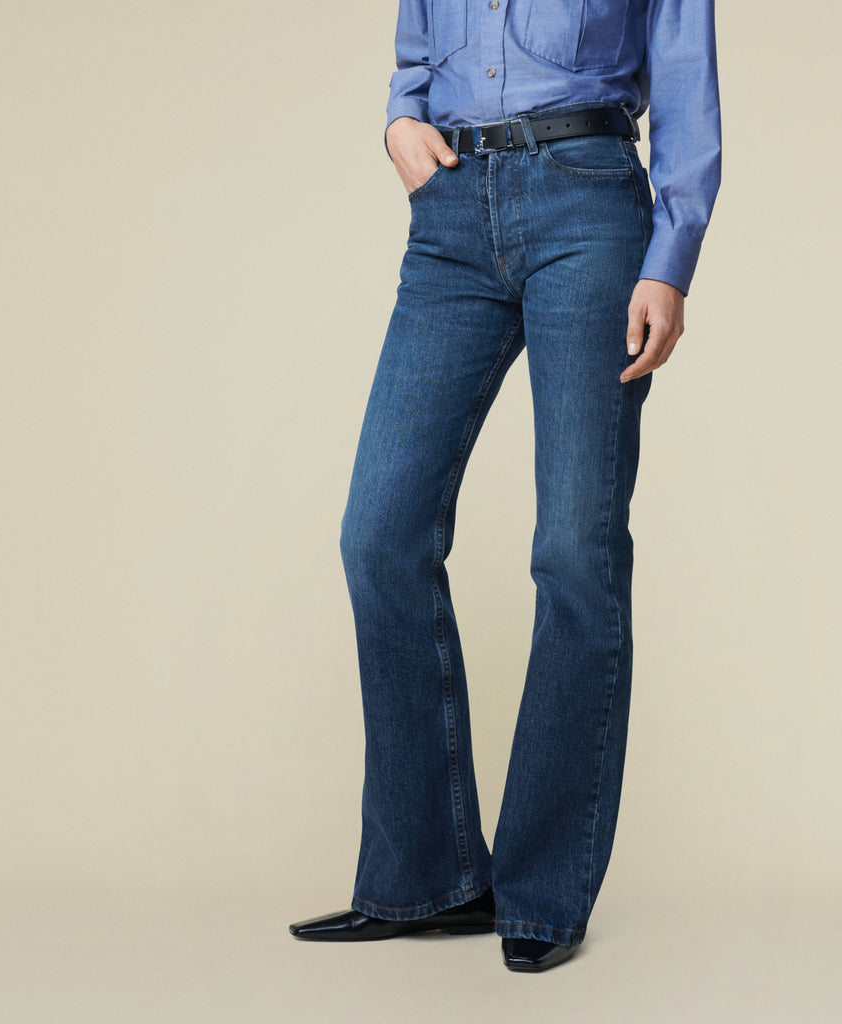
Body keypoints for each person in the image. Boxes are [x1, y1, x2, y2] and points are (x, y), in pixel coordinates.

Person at [290, 0, 721, 972]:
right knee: (380, 535)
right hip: (451, 215)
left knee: (574, 547)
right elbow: (416, 45)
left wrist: (671, 259)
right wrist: (400, 120)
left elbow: (686, 85)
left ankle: (542, 891)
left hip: (588, 203)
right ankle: (427, 879)